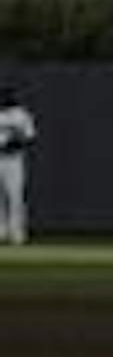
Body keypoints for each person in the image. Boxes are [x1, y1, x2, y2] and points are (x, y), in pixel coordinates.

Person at [0, 85, 34, 244]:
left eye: (9, 95)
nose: (6, 98)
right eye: (4, 95)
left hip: (13, 160)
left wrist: (14, 143)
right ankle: (1, 232)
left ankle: (17, 233)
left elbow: (29, 137)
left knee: (16, 197)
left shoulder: (21, 115)